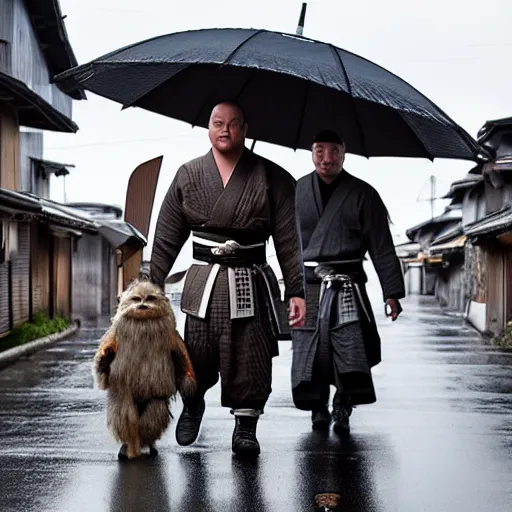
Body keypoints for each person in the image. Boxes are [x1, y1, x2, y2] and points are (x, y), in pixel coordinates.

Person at [149, 100, 306, 457]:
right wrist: (152, 284)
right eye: (217, 122)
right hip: (204, 284)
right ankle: (193, 405)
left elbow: (288, 241)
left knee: (252, 355)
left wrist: (295, 289)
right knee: (196, 354)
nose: (225, 129)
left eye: (233, 124)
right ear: (208, 128)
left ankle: (246, 428)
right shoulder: (188, 175)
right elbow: (167, 236)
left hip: (251, 281)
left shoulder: (274, 178)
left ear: (246, 129)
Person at [291, 129, 405, 437]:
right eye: (319, 151)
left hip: (348, 284)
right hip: (309, 284)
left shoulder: (363, 194)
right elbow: (284, 242)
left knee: (349, 349)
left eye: (333, 152)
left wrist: (392, 293)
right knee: (308, 351)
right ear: (311, 153)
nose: (326, 159)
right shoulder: (296, 191)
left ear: (344, 153)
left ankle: (343, 404)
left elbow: (381, 246)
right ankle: (317, 406)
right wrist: (289, 288)